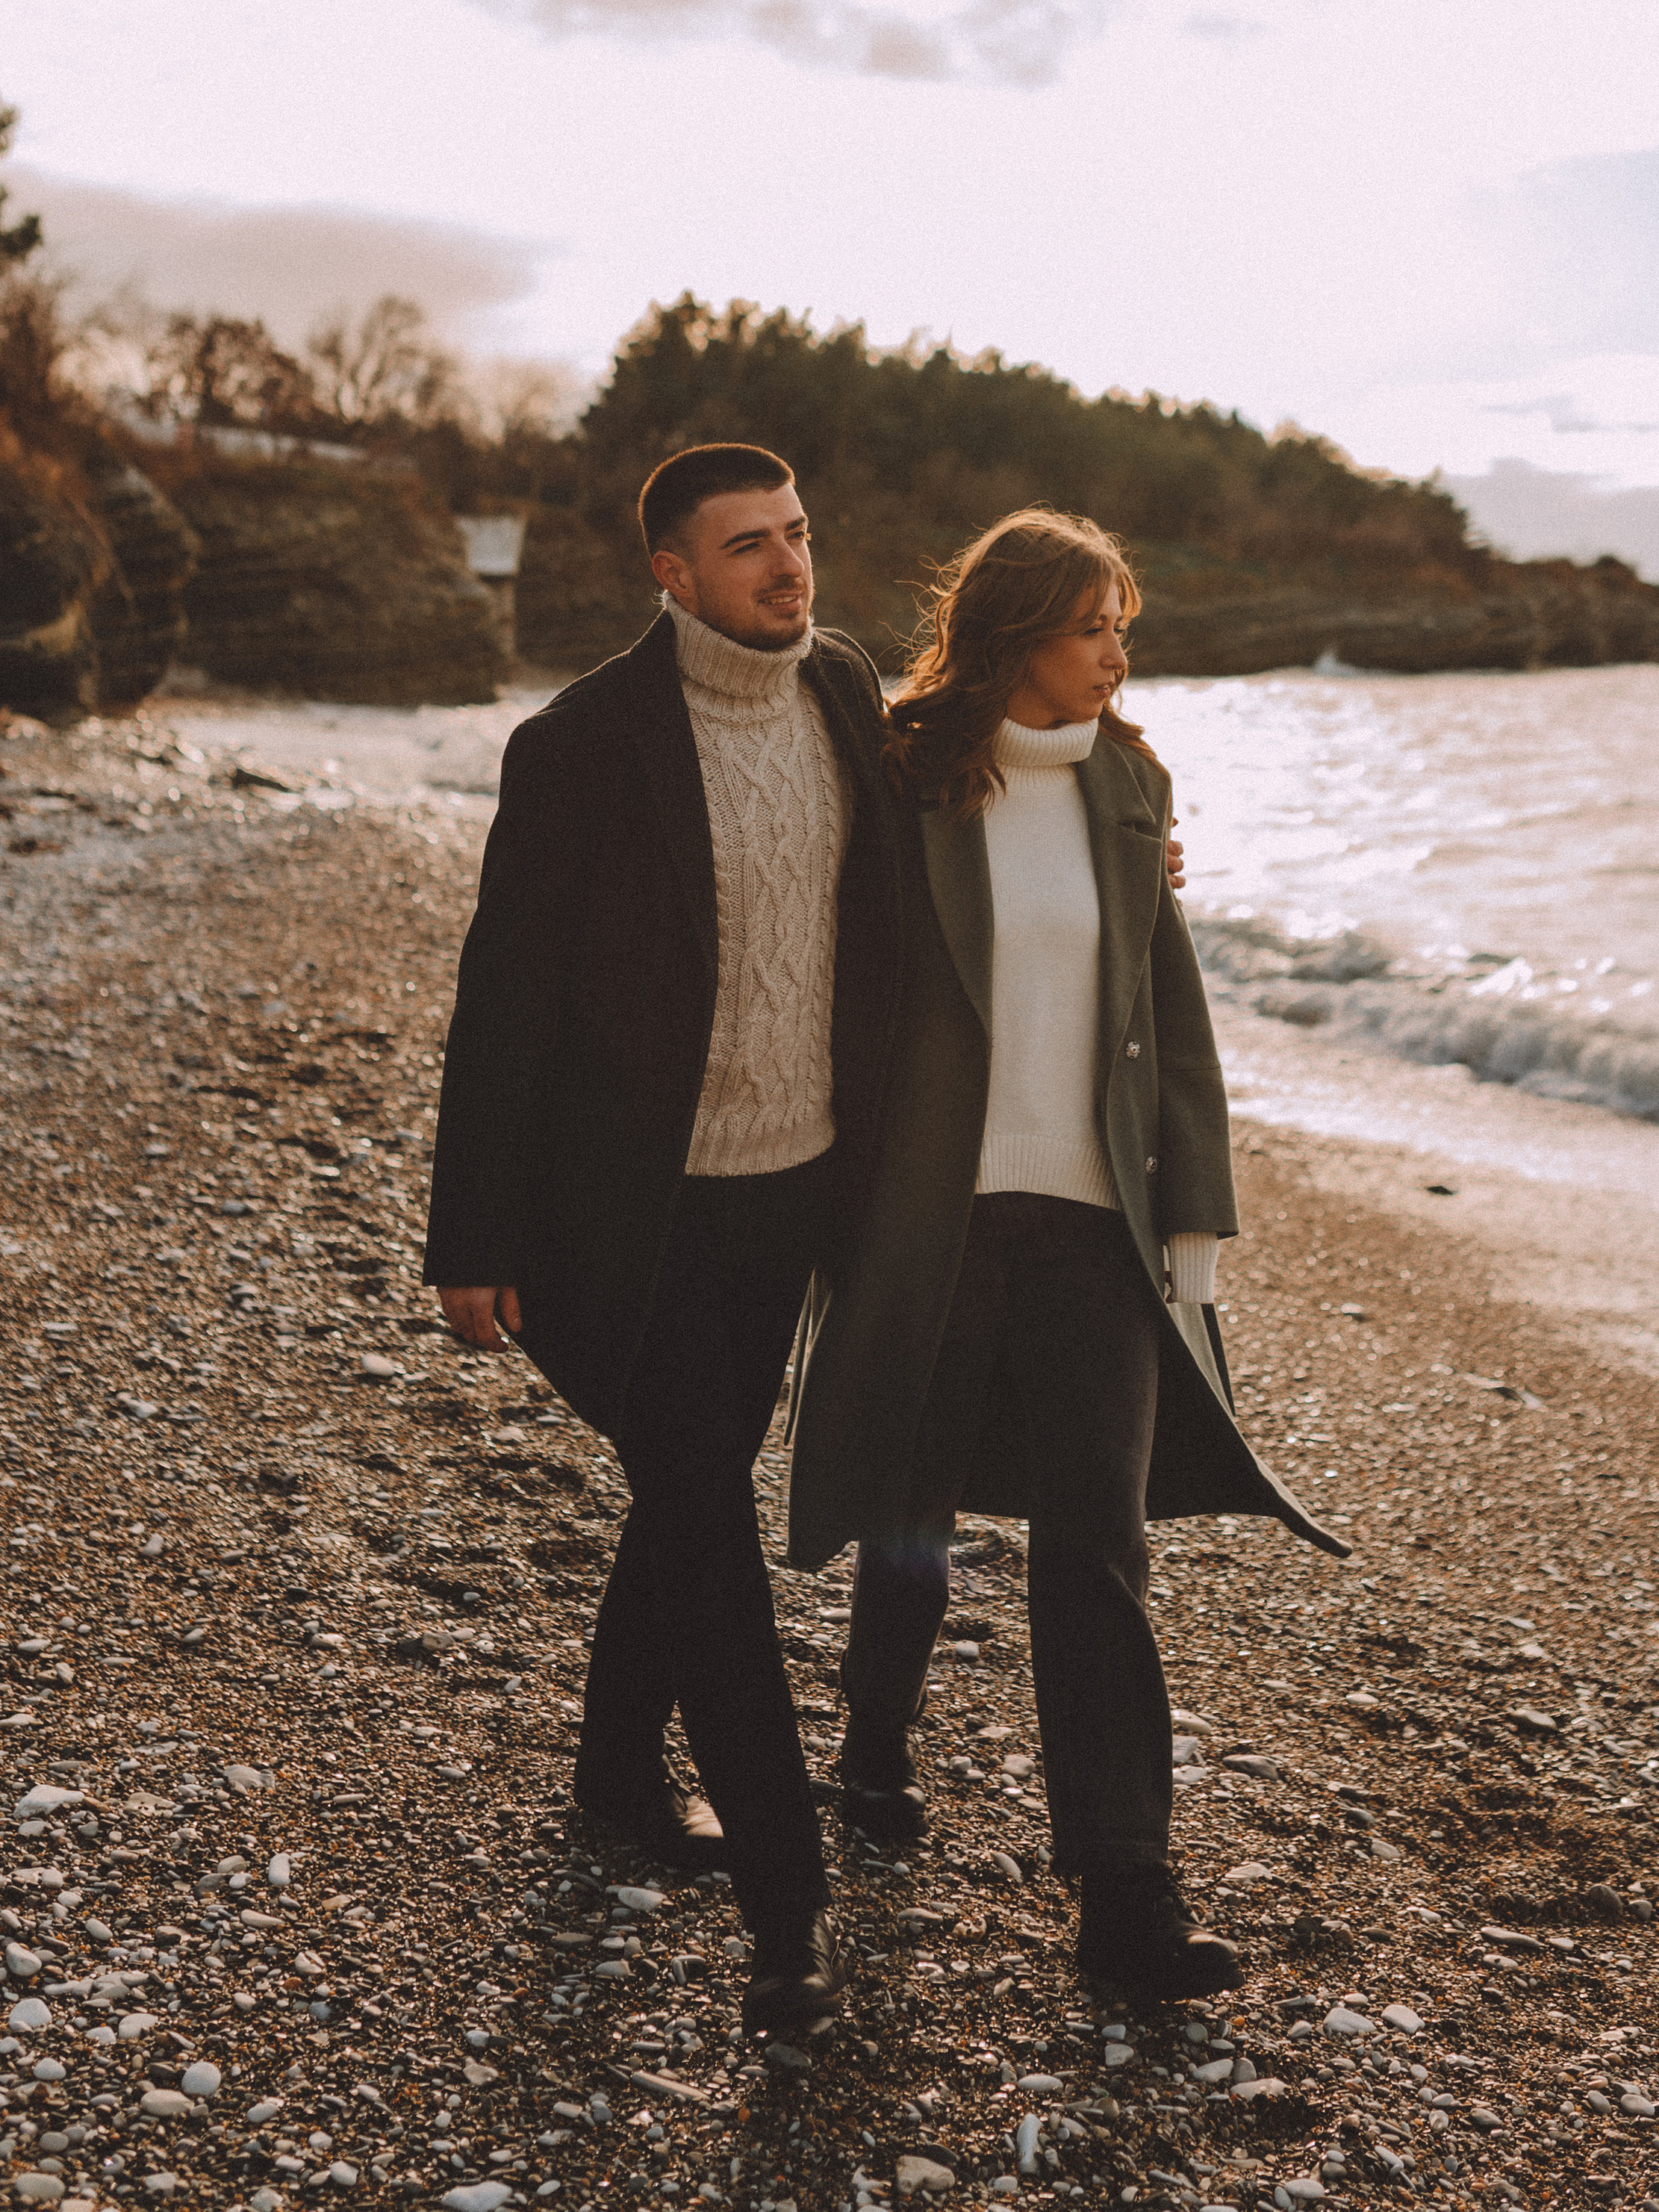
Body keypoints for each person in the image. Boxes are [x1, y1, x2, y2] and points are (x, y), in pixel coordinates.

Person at [786, 507, 1348, 1998]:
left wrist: (1194, 1227)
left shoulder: (1127, 782)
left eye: (1122, 628)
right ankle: (874, 1739)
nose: (1116, 652)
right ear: (1017, 627)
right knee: (911, 1503)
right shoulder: (901, 774)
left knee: (1094, 1548)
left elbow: (1168, 1012)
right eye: (1094, 623)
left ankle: (1123, 1897)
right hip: (933, 1215)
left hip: (1094, 1225)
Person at [424, 441, 903, 2037]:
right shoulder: (580, 746)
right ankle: (787, 1902)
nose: (790, 565)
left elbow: (975, 807)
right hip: (622, 1219)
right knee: (702, 1511)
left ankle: (616, 1773)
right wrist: (469, 1232)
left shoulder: (844, 696)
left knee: (690, 1479)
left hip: (793, 1188)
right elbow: (504, 1001)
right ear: (670, 574)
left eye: (798, 530)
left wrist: (1136, 849)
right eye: (748, 545)